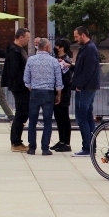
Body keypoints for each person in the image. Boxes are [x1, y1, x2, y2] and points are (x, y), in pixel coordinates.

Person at [23, 38, 61, 156]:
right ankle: (45, 148)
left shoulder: (31, 60)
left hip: (35, 92)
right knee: (47, 121)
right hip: (48, 93)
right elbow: (58, 79)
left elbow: (26, 79)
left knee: (32, 121)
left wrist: (31, 87)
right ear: (47, 47)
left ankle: (32, 147)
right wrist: (58, 94)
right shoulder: (53, 61)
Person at [68, 26, 100, 156]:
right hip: (87, 87)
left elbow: (88, 70)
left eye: (76, 36)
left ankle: (87, 147)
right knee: (87, 116)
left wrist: (79, 85)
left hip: (86, 88)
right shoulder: (87, 48)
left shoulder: (90, 49)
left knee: (82, 117)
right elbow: (83, 68)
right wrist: (70, 66)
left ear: (83, 35)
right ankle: (91, 146)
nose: (75, 39)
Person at [3, 28, 31, 152]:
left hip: (22, 86)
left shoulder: (20, 50)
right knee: (21, 113)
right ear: (21, 37)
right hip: (19, 87)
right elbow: (15, 71)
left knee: (22, 113)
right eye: (27, 38)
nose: (28, 40)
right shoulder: (14, 51)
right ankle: (15, 142)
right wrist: (25, 84)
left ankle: (17, 141)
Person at [51, 41, 74, 152]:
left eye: (57, 46)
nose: (55, 48)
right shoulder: (55, 59)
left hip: (64, 91)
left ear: (62, 48)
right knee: (58, 117)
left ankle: (67, 143)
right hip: (56, 90)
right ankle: (61, 141)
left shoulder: (66, 60)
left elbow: (66, 78)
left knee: (64, 117)